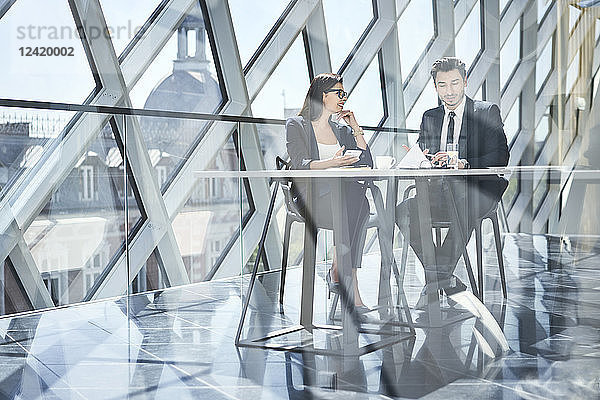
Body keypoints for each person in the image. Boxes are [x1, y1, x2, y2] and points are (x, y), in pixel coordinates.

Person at [396, 57, 509, 306]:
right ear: (436, 87)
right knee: (403, 211)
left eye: (455, 83)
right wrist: (421, 158)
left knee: (462, 200)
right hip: (439, 191)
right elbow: (424, 153)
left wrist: (463, 163)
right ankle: (443, 278)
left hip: (477, 191)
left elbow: (500, 156)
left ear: (465, 82)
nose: (449, 91)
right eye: (443, 85)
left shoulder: (485, 111)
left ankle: (437, 280)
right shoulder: (430, 117)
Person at [286, 73, 373, 311]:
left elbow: (366, 162)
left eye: (344, 94)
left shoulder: (340, 129)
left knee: (358, 203)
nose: (343, 98)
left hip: (342, 200)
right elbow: (300, 164)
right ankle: (346, 280)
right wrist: (333, 163)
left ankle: (342, 272)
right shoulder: (297, 125)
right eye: (339, 93)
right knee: (357, 205)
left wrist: (356, 129)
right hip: (311, 200)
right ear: (323, 95)